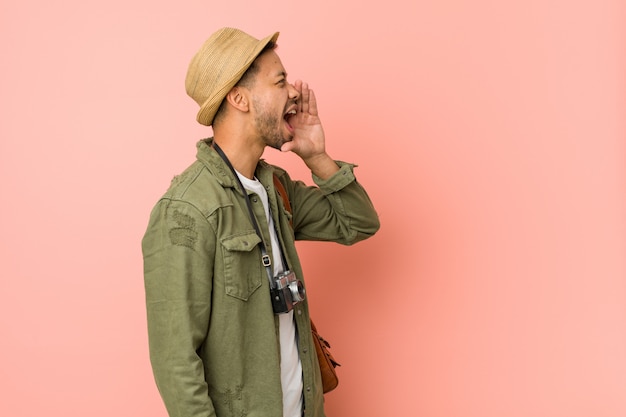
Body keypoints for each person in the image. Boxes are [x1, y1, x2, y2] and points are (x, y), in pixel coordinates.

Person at [142, 27, 380, 417]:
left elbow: (359, 223)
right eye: (280, 81)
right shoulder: (186, 210)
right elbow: (175, 359)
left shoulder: (276, 188)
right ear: (239, 98)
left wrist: (317, 156)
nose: (294, 92)